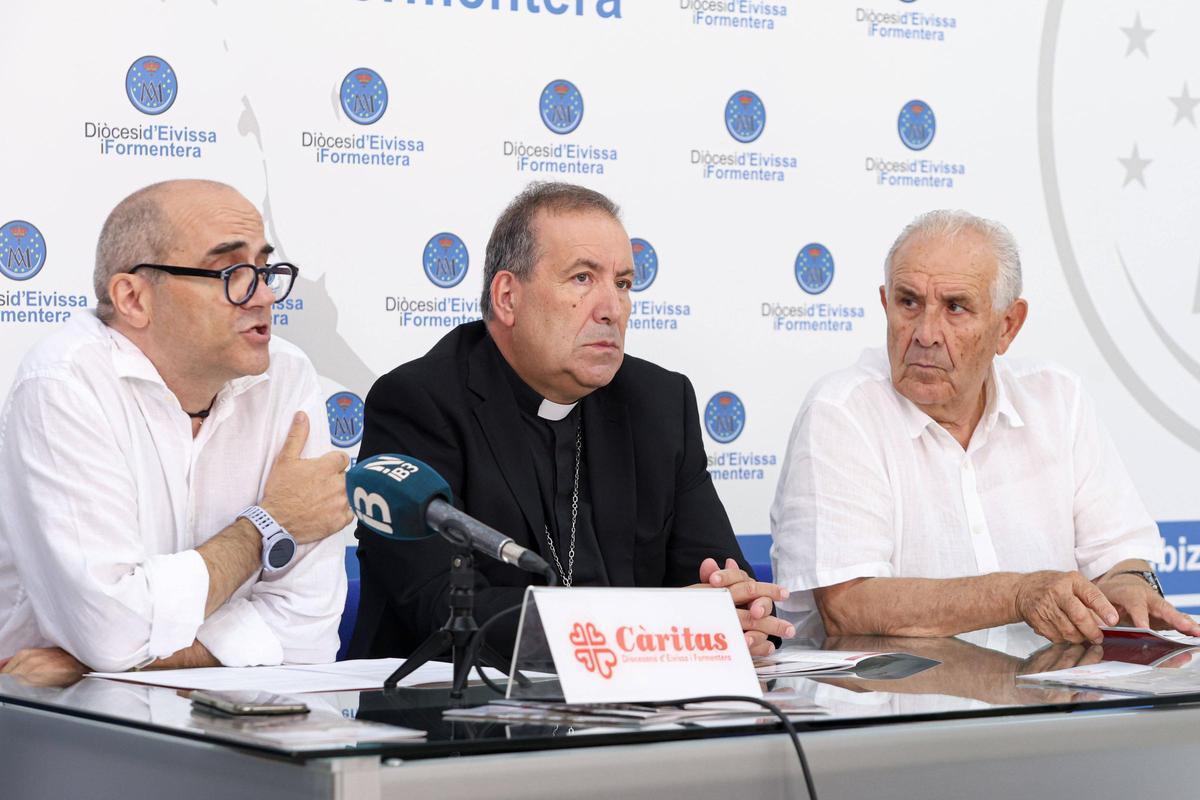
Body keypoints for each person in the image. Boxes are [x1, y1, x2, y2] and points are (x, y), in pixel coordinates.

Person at [350, 181, 791, 659]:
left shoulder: (660, 404)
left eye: (622, 284)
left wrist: (741, 613)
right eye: (583, 278)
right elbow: (447, 609)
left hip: (636, 717)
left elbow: (722, 583)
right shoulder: (419, 405)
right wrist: (651, 626)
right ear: (507, 297)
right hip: (460, 716)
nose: (612, 309)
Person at [770, 209, 1200, 645]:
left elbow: (1121, 554)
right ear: (886, 304)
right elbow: (848, 606)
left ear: (1007, 326)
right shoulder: (841, 412)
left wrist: (1128, 583)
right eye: (909, 302)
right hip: (891, 705)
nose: (925, 333)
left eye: (955, 307)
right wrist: (1017, 594)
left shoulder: (1058, 399)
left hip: (1047, 700)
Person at [0, 179, 354, 680]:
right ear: (134, 298)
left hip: (242, 717)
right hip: (61, 722)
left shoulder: (286, 376)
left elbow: (309, 629)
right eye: (232, 272)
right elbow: (113, 629)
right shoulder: (62, 384)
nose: (265, 295)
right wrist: (268, 524)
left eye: (265, 269)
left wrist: (110, 660)